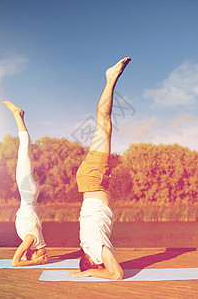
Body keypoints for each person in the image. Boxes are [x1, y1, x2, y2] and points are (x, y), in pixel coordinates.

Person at [68, 57, 131, 280]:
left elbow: (116, 275)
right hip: (94, 181)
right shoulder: (89, 245)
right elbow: (107, 268)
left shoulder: (95, 247)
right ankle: (111, 78)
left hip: (94, 178)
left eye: (98, 265)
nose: (103, 264)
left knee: (104, 122)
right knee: (104, 124)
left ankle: (110, 78)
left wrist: (91, 273)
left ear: (93, 261)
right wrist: (87, 270)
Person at [3, 100, 49, 267]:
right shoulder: (34, 239)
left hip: (29, 195)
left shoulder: (31, 239)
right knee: (24, 151)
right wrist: (36, 261)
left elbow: (17, 262)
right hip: (28, 195)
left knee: (25, 152)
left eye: (43, 257)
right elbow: (17, 262)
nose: (46, 257)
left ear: (35, 252)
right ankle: (17, 115)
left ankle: (19, 116)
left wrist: (35, 261)